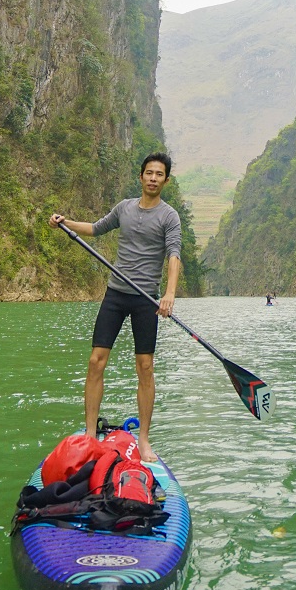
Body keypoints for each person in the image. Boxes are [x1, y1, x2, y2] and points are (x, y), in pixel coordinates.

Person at [49, 152, 181, 461]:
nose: (153, 178)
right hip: (116, 294)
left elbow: (174, 255)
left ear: (165, 180)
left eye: (159, 174)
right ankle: (90, 434)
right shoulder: (124, 208)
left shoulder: (169, 216)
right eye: (149, 173)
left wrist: (169, 294)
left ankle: (144, 440)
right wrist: (65, 222)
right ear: (140, 176)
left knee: (145, 367)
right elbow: (96, 228)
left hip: (146, 299)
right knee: (96, 361)